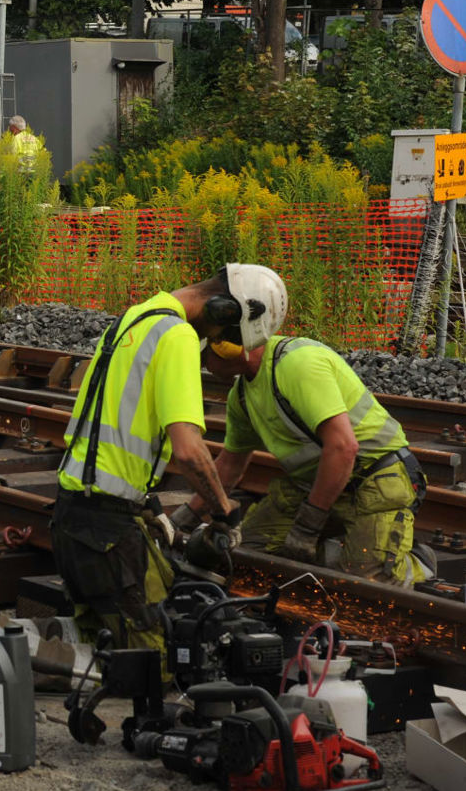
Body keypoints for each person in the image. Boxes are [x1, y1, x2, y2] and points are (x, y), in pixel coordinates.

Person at [52, 263, 288, 666]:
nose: (217, 343)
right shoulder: (176, 334)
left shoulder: (134, 317)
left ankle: (49, 668)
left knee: (101, 654)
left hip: (71, 515)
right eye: (227, 333)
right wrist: (224, 511)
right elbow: (188, 450)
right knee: (157, 667)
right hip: (107, 531)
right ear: (225, 311)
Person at [182, 335, 432, 586]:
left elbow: (343, 447)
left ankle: (417, 565)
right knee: (248, 551)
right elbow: (229, 465)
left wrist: (307, 528)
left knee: (367, 581)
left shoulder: (296, 363)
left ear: (226, 346)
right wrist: (183, 519)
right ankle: (338, 554)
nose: (205, 367)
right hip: (320, 485)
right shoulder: (242, 397)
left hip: (376, 477)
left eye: (204, 358)